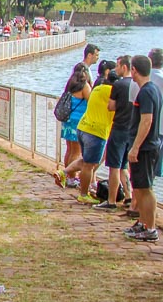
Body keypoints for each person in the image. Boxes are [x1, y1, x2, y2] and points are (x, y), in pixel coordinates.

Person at [59, 71, 115, 202]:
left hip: (81, 125)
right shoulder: (101, 90)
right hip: (94, 130)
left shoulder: (96, 88)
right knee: (88, 163)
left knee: (79, 155)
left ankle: (65, 173)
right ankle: (82, 192)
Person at [124, 55, 162, 242]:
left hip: (145, 147)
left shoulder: (147, 92)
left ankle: (151, 227)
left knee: (145, 187)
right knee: (139, 186)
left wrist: (136, 147)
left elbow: (146, 121)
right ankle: (143, 222)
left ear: (134, 70)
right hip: (145, 146)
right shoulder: (151, 89)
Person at [95, 56, 134, 211]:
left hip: (119, 127)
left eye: (118, 66)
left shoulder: (118, 84)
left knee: (114, 166)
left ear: (124, 67)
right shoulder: (137, 85)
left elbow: (111, 106)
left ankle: (111, 200)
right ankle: (129, 196)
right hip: (131, 130)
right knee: (125, 165)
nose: (115, 70)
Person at [56, 63, 91, 188]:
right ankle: (71, 177)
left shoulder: (70, 84)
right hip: (78, 121)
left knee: (69, 149)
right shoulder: (84, 86)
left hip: (68, 120)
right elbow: (91, 102)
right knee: (77, 151)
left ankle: (65, 175)